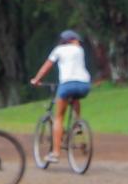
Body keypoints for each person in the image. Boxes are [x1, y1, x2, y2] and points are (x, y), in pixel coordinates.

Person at [30, 29, 92, 163]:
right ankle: (77, 123)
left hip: (67, 84)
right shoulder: (80, 50)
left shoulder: (58, 50)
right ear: (71, 40)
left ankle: (56, 153)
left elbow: (47, 66)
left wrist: (36, 79)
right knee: (75, 97)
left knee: (58, 117)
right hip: (84, 84)